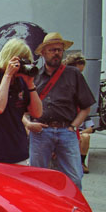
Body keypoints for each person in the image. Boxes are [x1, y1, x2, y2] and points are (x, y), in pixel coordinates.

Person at [28, 32, 96, 190]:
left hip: (66, 131)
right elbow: (23, 109)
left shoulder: (73, 74)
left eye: (59, 49)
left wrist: (73, 127)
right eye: (52, 50)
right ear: (43, 53)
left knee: (75, 178)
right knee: (37, 178)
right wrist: (28, 124)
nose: (56, 53)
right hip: (40, 131)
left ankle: (73, 211)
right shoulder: (34, 77)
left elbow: (86, 106)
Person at [0, 39, 42, 164]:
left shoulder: (22, 82)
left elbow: (37, 113)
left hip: (17, 153)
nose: (23, 65)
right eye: (20, 61)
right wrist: (8, 75)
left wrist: (30, 84)